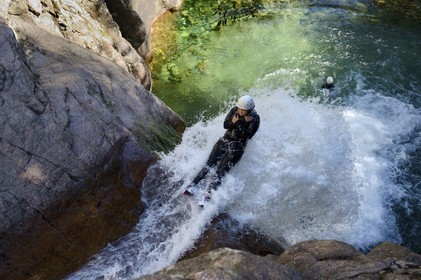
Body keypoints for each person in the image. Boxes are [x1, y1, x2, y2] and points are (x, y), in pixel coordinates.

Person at [183, 95, 260, 199]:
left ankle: (207, 195)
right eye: (240, 109)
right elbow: (226, 125)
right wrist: (241, 121)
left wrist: (237, 122)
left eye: (243, 111)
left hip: (237, 147)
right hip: (225, 140)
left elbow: (249, 135)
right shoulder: (234, 110)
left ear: (250, 109)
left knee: (221, 171)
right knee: (209, 164)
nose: (240, 111)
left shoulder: (255, 118)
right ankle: (192, 186)